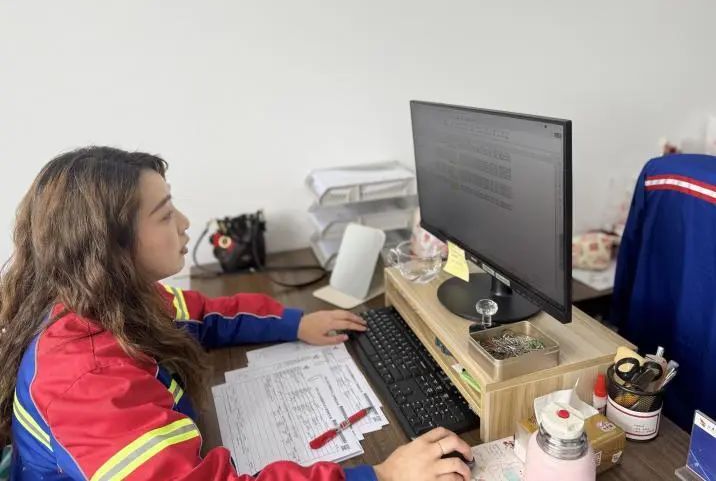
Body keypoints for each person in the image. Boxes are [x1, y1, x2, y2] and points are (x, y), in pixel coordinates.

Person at [0, 147, 473, 481]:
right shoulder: (86, 380)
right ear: (110, 246)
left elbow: (204, 315)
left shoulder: (113, 302)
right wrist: (382, 474)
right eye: (164, 214)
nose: (185, 223)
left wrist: (296, 323)